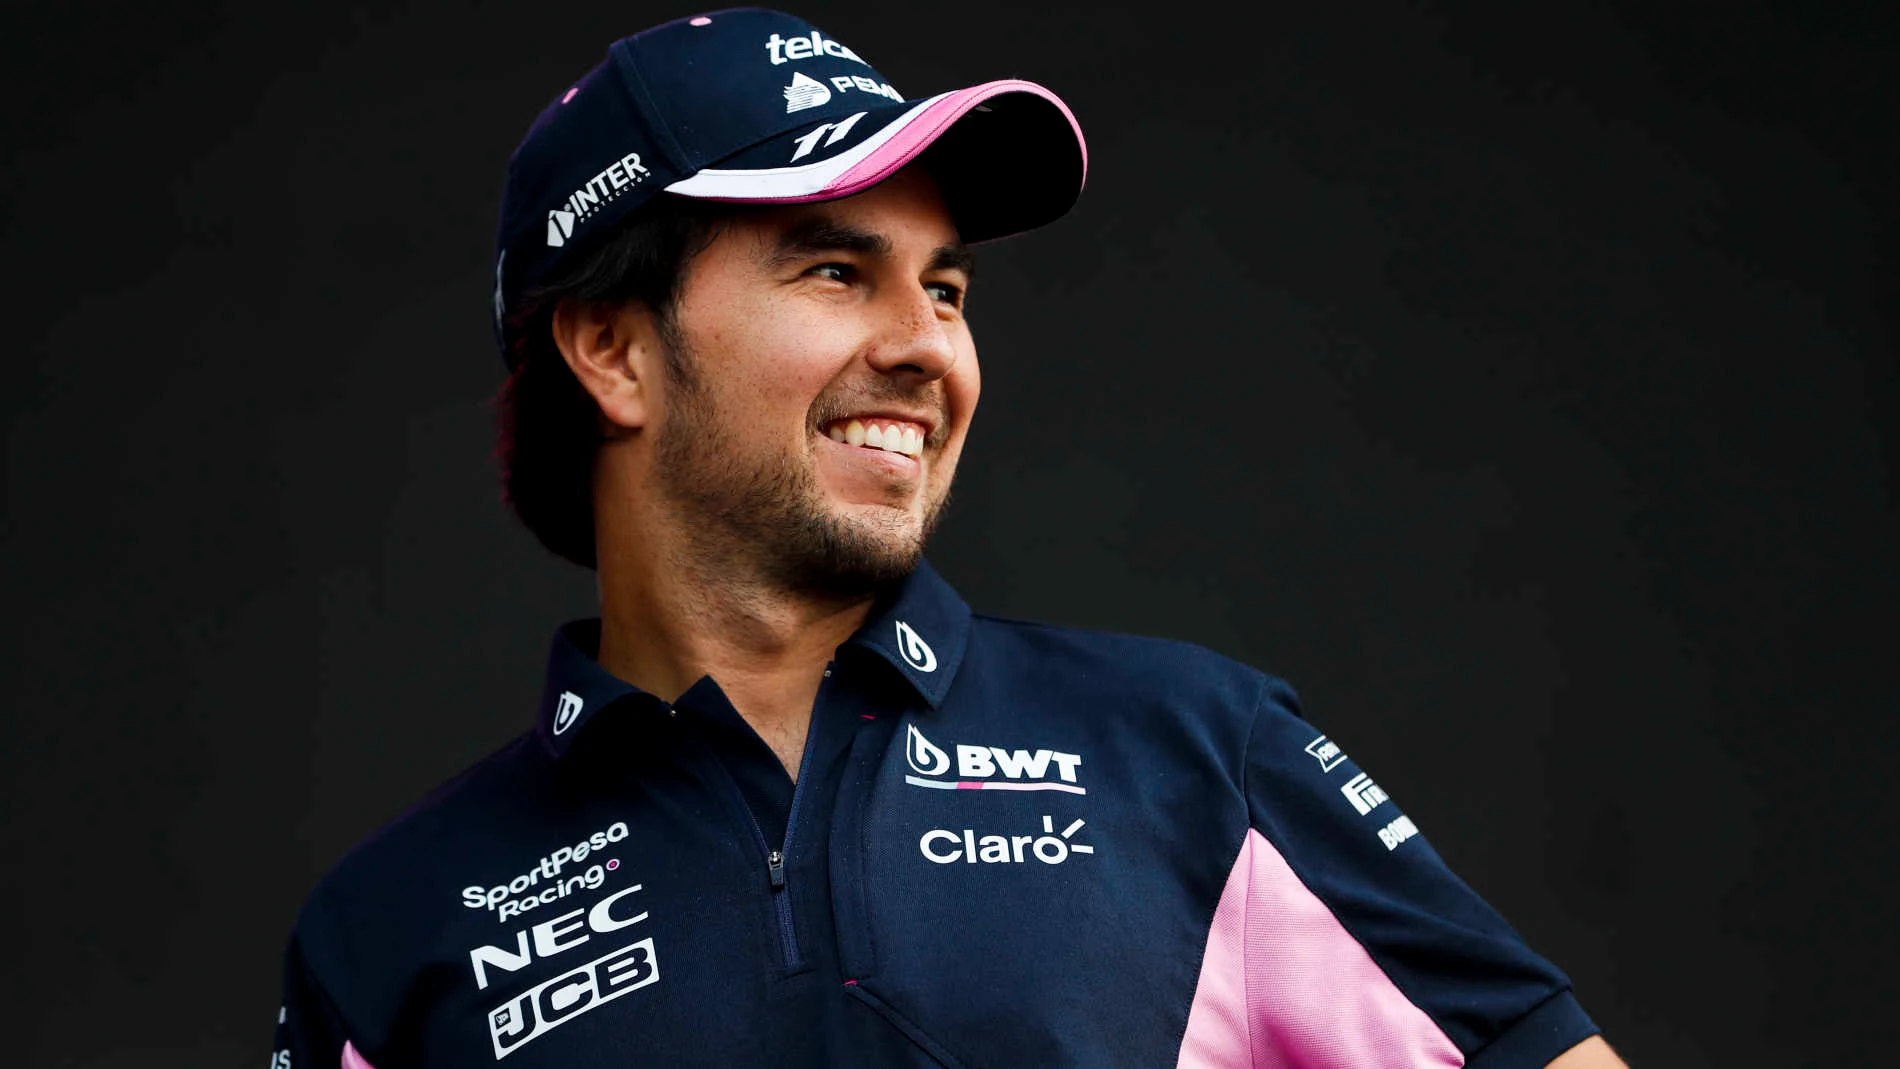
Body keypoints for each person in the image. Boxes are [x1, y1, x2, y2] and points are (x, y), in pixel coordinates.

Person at [269, 8, 1625, 1067]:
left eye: (949, 289)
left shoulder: (1198, 754)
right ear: (613, 350)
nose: (929, 348)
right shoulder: (385, 935)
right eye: (835, 270)